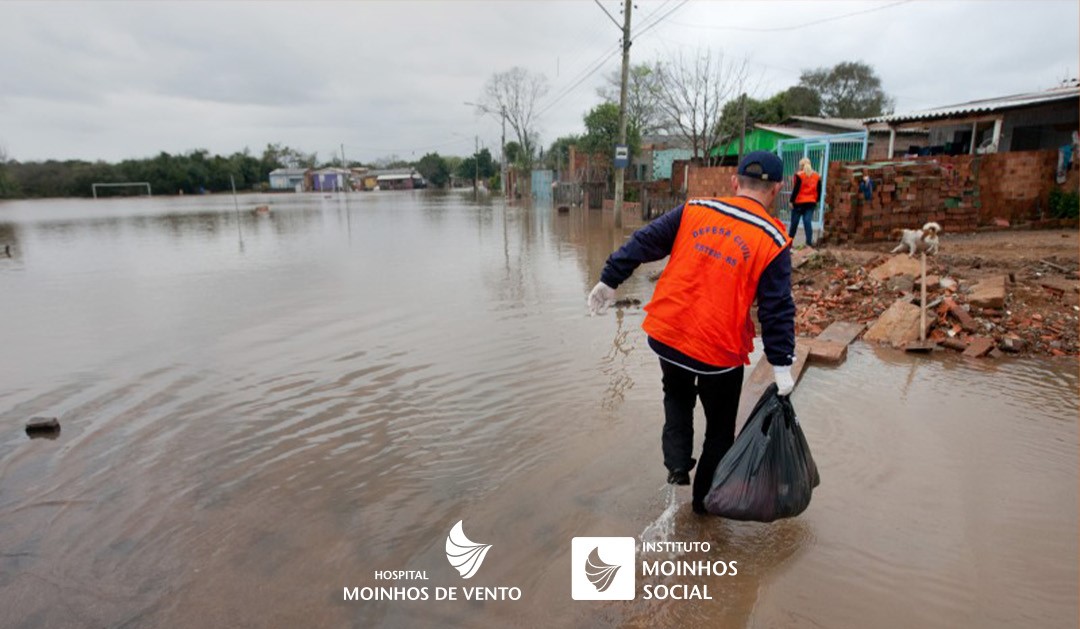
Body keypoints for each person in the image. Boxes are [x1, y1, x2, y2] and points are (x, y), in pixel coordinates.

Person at [587, 151, 796, 515]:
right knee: (719, 428)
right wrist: (781, 366)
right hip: (718, 351)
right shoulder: (772, 239)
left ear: (734, 182)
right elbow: (776, 308)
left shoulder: (694, 210)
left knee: (677, 394)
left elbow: (642, 242)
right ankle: (703, 506)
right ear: (777, 188)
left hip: (669, 335)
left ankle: (677, 465)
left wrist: (609, 280)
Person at [788, 157, 821, 247]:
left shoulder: (799, 175)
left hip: (799, 203)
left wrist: (791, 201)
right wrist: (816, 201)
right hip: (811, 203)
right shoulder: (817, 176)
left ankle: (789, 244)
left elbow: (796, 189)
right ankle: (809, 243)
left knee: (794, 224)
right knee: (807, 222)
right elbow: (819, 190)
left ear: (801, 166)